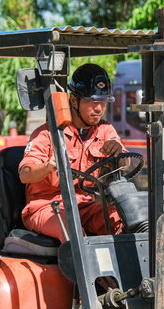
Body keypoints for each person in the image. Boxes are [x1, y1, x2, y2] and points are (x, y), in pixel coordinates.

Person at [18, 64, 126, 242]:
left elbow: (126, 163)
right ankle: (84, 261)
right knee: (71, 226)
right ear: (74, 101)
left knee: (122, 217)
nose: (99, 109)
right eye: (92, 102)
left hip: (84, 205)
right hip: (46, 208)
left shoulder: (105, 130)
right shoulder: (46, 134)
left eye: (103, 102)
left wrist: (118, 152)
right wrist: (48, 167)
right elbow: (25, 174)